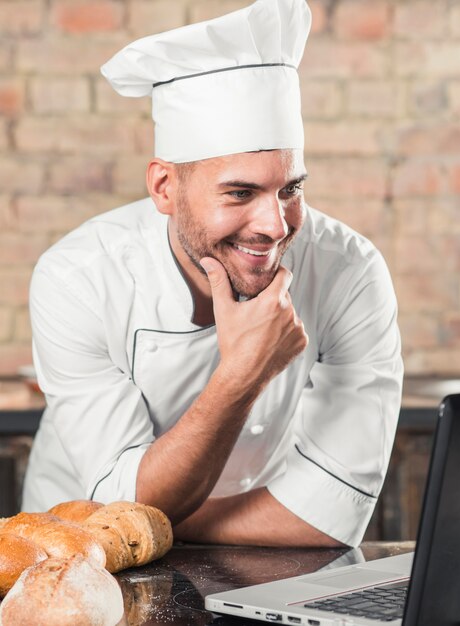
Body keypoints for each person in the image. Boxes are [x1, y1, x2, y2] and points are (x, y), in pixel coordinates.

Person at [22, 0, 403, 548]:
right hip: (76, 563)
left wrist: (155, 521)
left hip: (261, 566)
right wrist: (242, 373)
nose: (275, 226)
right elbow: (116, 513)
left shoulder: (351, 271)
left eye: (290, 188)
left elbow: (332, 516)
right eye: (240, 193)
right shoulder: (79, 278)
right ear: (164, 188)